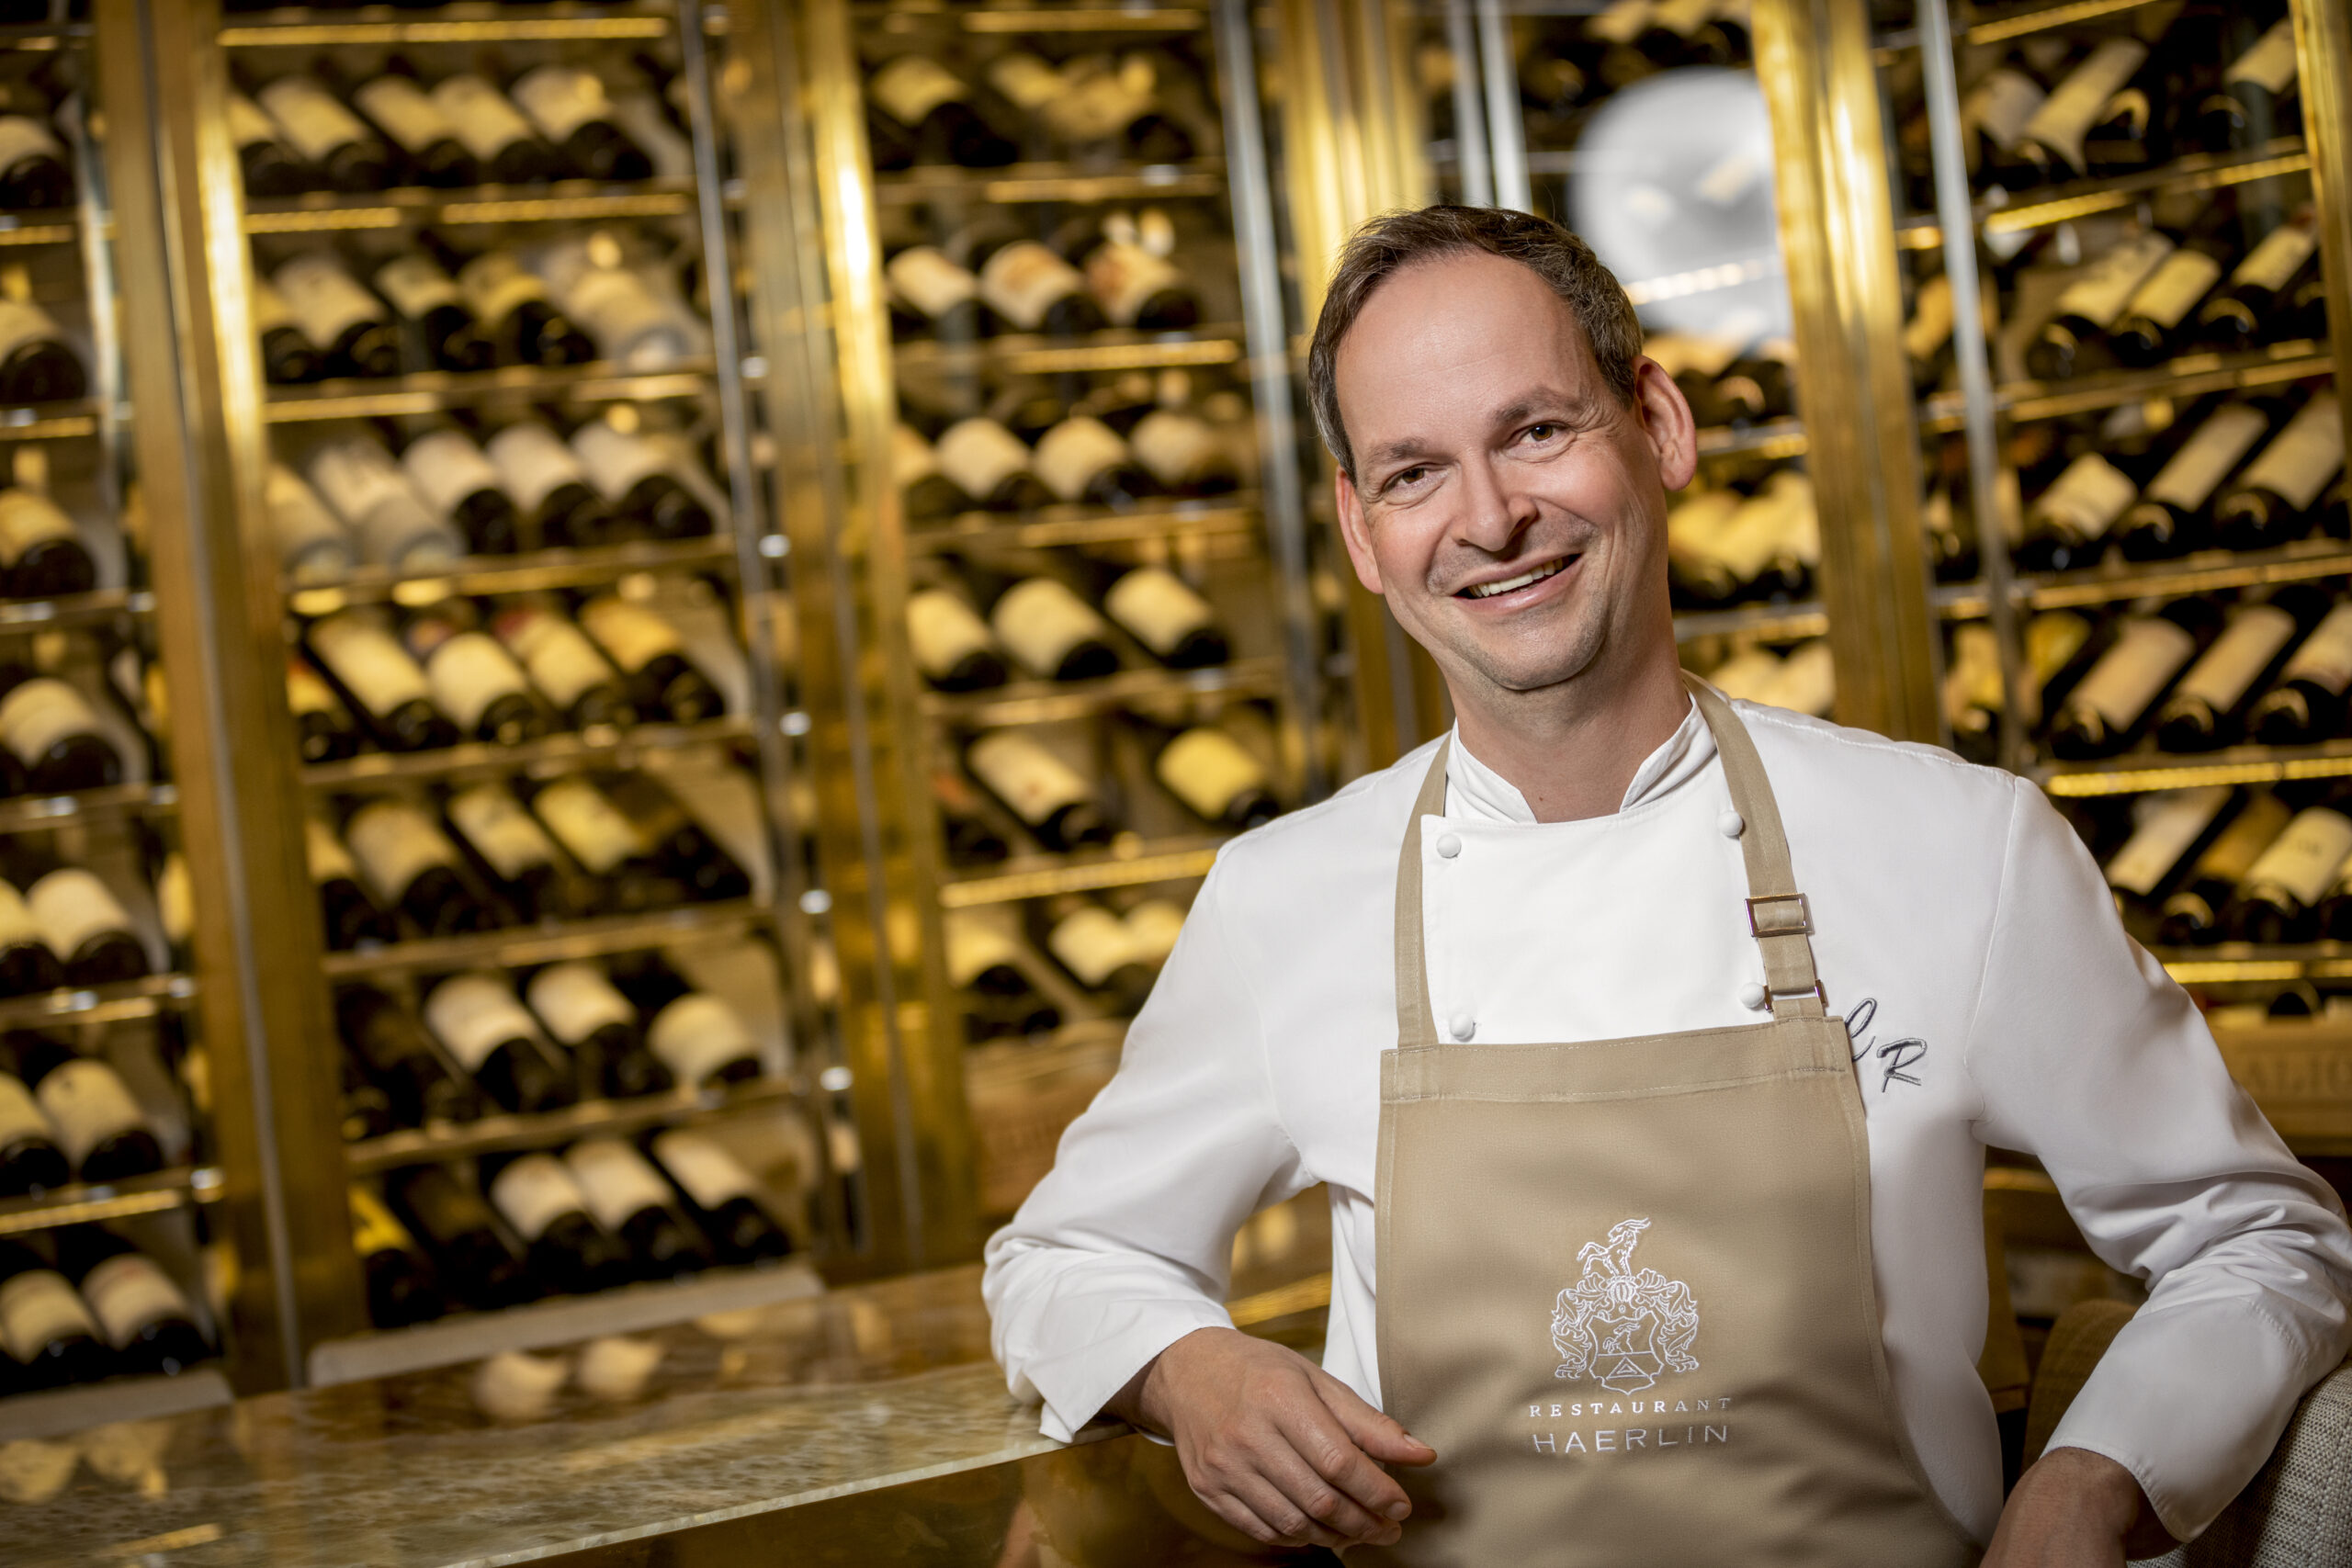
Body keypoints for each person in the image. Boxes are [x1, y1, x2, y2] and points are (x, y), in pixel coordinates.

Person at [981, 205, 2352, 1564]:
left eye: (1535, 431)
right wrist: (1191, 1369)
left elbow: (2262, 1237)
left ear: (1661, 426)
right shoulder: (1284, 899)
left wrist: (2091, 1478)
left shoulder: (1957, 845)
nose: (1490, 519)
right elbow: (1061, 1261)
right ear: (1359, 533)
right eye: (1412, 474)